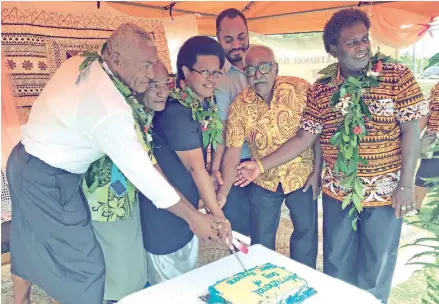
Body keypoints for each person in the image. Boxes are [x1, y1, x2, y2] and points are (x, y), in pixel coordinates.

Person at [6, 23, 223, 304]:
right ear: (117, 60)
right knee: (84, 267)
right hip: (45, 177)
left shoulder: (84, 63)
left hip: (25, 161)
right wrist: (194, 219)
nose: (149, 74)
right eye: (145, 66)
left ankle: (20, 300)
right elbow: (146, 176)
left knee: (28, 238)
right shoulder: (110, 108)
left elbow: (146, 159)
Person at [235, 9, 428, 303]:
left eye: (365, 39)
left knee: (375, 267)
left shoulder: (397, 76)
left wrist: (406, 185)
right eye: (352, 43)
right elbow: (306, 137)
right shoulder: (322, 89)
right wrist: (260, 166)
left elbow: (411, 133)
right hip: (338, 193)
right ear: (333, 49)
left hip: (386, 194)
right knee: (336, 263)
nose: (362, 47)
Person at [82, 60, 179, 303]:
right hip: (108, 202)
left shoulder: (145, 113)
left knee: (127, 266)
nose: (161, 91)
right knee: (121, 272)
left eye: (165, 84)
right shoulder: (127, 113)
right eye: (152, 84)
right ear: (137, 86)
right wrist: (187, 209)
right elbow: (149, 167)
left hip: (122, 197)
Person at [217, 45, 322, 268]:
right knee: (261, 240)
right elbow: (232, 151)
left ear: (275, 68)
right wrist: (222, 193)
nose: (258, 75)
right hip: (264, 182)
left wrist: (317, 172)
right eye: (251, 70)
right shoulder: (239, 106)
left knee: (306, 233)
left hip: (301, 176)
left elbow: (315, 135)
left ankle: (304, 279)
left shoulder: (300, 89)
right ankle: (261, 283)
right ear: (244, 73)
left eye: (264, 67)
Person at [139, 36, 232, 285]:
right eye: (205, 72)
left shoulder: (200, 104)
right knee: (168, 288)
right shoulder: (177, 112)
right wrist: (219, 216)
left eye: (216, 73)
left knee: (185, 278)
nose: (211, 79)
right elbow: (195, 168)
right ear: (186, 72)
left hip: (185, 208)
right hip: (165, 215)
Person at [210, 8, 251, 235]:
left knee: (265, 232)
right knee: (241, 235)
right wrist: (217, 171)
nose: (236, 44)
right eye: (228, 39)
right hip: (235, 166)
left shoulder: (262, 63)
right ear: (218, 39)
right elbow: (223, 132)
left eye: (241, 37)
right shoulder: (219, 79)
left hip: (266, 162)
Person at [410, 82, 439, 215]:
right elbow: (427, 113)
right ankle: (415, 205)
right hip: (435, 137)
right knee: (426, 172)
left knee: (426, 171)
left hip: (433, 136)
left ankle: (416, 205)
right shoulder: (437, 89)